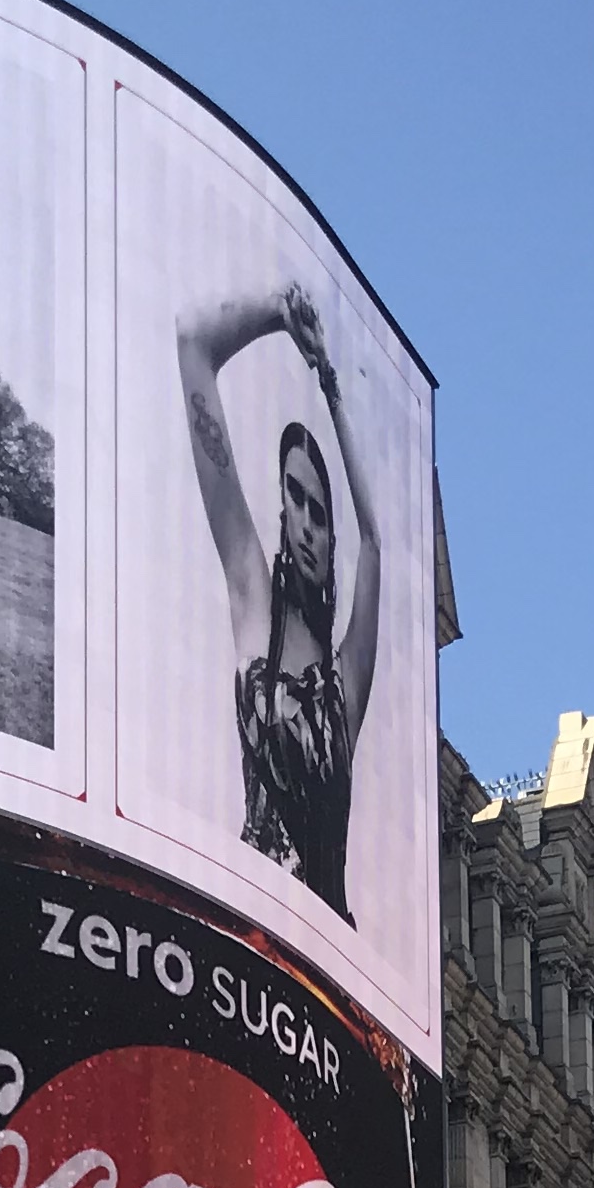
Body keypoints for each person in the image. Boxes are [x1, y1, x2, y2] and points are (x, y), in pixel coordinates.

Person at [177, 285, 382, 921]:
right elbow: (193, 344)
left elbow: (375, 544)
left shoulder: (345, 684)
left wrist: (331, 384)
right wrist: (278, 315)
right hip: (246, 920)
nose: (307, 524)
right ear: (281, 506)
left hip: (325, 950)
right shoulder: (252, 602)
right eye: (295, 499)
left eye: (321, 513)